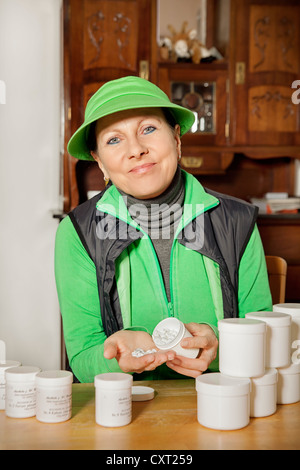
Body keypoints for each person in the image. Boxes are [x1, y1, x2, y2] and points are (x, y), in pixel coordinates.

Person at [55, 76, 272, 383]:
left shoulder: (237, 220)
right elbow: (82, 359)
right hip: (127, 412)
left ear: (177, 139)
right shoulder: (77, 233)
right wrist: (116, 360)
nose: (136, 150)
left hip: (223, 401)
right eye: (114, 140)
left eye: (148, 129)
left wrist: (218, 351)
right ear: (99, 162)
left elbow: (262, 338)